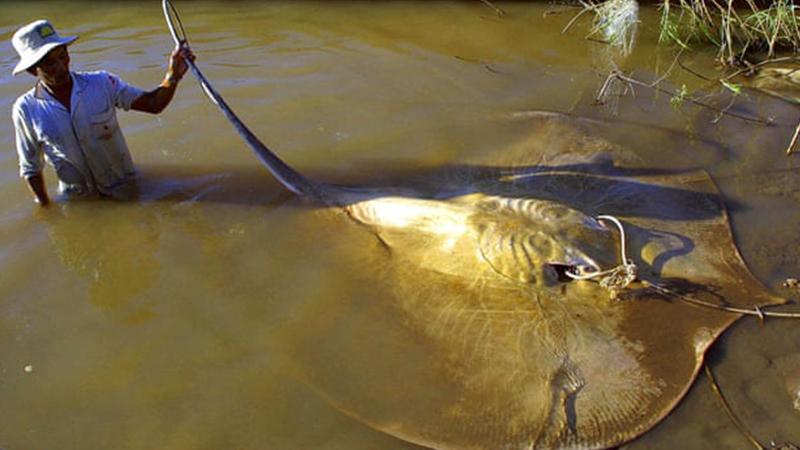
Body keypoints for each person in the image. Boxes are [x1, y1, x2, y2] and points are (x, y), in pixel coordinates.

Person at [11, 19, 195, 206]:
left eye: (63, 56)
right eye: (50, 63)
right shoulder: (25, 109)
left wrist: (173, 75)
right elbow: (31, 168)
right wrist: (46, 208)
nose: (61, 66)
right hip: (79, 201)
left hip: (125, 188)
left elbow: (154, 104)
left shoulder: (102, 83)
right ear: (33, 70)